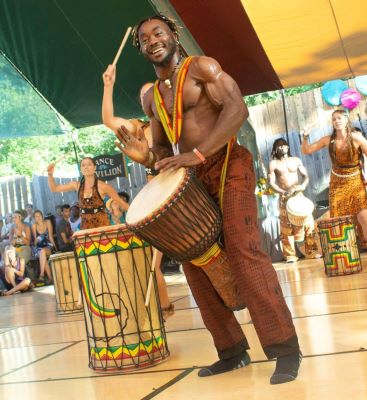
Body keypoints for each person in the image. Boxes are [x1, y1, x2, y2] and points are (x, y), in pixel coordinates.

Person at [107, 14, 302, 384]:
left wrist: (197, 155)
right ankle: (231, 351)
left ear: (174, 35)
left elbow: (237, 110)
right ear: (141, 49)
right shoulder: (150, 95)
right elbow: (163, 148)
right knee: (193, 261)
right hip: (190, 174)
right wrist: (145, 155)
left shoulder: (202, 68)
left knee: (245, 255)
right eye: (144, 39)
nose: (152, 40)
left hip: (229, 164)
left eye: (158, 33)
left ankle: (286, 349)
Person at [102, 72, 174, 319]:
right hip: (156, 197)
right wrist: (108, 86)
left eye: (151, 91)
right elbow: (109, 120)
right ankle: (164, 308)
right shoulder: (139, 127)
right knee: (151, 258)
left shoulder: (176, 120)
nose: (148, 96)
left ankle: (164, 307)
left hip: (182, 190)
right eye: (144, 95)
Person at [301, 109, 367, 266]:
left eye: (339, 118)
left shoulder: (357, 138)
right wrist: (305, 136)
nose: (336, 121)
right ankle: (344, 255)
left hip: (355, 182)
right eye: (334, 119)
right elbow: (307, 150)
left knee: (363, 218)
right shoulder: (328, 140)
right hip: (337, 183)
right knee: (338, 220)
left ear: (346, 120)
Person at [268, 138, 320, 262]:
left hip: (298, 195)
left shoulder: (296, 160)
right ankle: (290, 255)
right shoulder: (273, 163)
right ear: (275, 149)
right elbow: (271, 183)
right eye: (279, 146)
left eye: (284, 145)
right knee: (286, 228)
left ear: (288, 147)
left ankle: (312, 251)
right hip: (285, 197)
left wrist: (302, 186)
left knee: (308, 223)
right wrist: (282, 191)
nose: (282, 147)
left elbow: (305, 176)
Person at [47, 158, 129, 230]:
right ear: (81, 169)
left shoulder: (103, 186)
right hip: (85, 226)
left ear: (94, 168)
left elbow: (121, 202)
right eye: (83, 165)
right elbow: (54, 188)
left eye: (89, 164)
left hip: (102, 225)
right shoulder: (76, 185)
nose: (86, 167)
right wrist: (50, 174)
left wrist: (137, 218)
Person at [32, 210, 56, 283]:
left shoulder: (47, 222)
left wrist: (55, 248)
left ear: (42, 216)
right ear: (34, 218)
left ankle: (41, 274)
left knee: (43, 252)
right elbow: (35, 242)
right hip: (39, 247)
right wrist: (37, 240)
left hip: (48, 245)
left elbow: (51, 237)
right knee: (42, 255)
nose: (38, 217)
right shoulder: (34, 226)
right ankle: (50, 279)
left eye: (39, 215)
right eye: (36, 216)